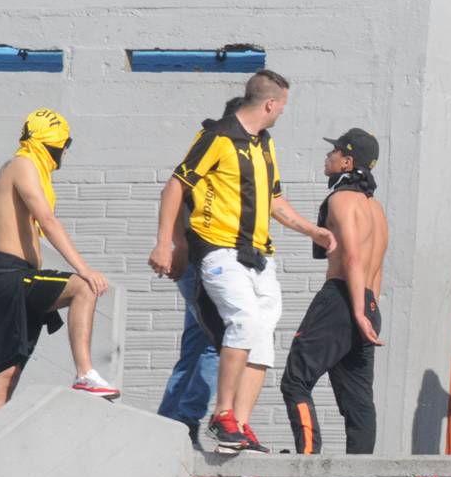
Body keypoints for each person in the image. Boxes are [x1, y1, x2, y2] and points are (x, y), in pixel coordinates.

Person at [148, 70, 335, 453]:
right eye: (282, 105)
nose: (282, 112)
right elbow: (176, 185)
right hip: (219, 250)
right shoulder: (217, 137)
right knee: (243, 321)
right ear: (270, 104)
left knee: (261, 335)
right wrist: (165, 243)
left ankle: (241, 427)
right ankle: (222, 416)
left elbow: (275, 201)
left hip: (260, 257)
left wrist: (311, 232)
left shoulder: (264, 145)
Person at [0, 108, 118, 421]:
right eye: (64, 145)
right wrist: (84, 269)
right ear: (54, 143)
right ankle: (85, 374)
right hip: (13, 277)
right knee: (83, 288)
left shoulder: (12, 168)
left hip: (7, 276)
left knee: (3, 380)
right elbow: (47, 220)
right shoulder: (23, 164)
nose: (64, 152)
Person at [280, 128, 386, 454]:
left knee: (295, 381)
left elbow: (352, 256)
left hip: (341, 299)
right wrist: (366, 311)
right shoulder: (377, 210)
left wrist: (353, 310)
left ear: (348, 161)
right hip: (368, 303)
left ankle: (307, 459)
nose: (329, 156)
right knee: (358, 402)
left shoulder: (342, 200)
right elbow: (376, 270)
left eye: (335, 151)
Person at [156, 201, 219, 449]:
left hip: (201, 266)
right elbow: (171, 193)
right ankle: (186, 419)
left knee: (195, 352)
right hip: (200, 266)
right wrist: (179, 244)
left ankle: (167, 428)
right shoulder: (207, 163)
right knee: (220, 343)